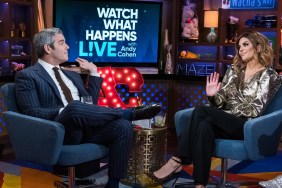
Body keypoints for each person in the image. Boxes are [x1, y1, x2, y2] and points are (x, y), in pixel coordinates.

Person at [14, 27, 161, 188]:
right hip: (58, 131)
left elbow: (90, 104)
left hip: (86, 128)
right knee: (74, 107)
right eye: (62, 43)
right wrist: (64, 111)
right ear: (48, 48)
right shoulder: (28, 75)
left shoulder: (72, 75)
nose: (68, 47)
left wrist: (94, 73)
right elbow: (31, 112)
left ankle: (113, 183)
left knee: (122, 126)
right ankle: (128, 113)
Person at [146, 31, 282, 187]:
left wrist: (226, 108)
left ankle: (177, 160)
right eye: (239, 46)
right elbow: (220, 102)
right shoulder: (234, 71)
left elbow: (255, 109)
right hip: (227, 121)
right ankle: (200, 184)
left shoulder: (269, 75)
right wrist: (212, 96)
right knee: (205, 125)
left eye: (245, 45)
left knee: (201, 110)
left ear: (258, 48)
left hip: (247, 126)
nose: (240, 49)